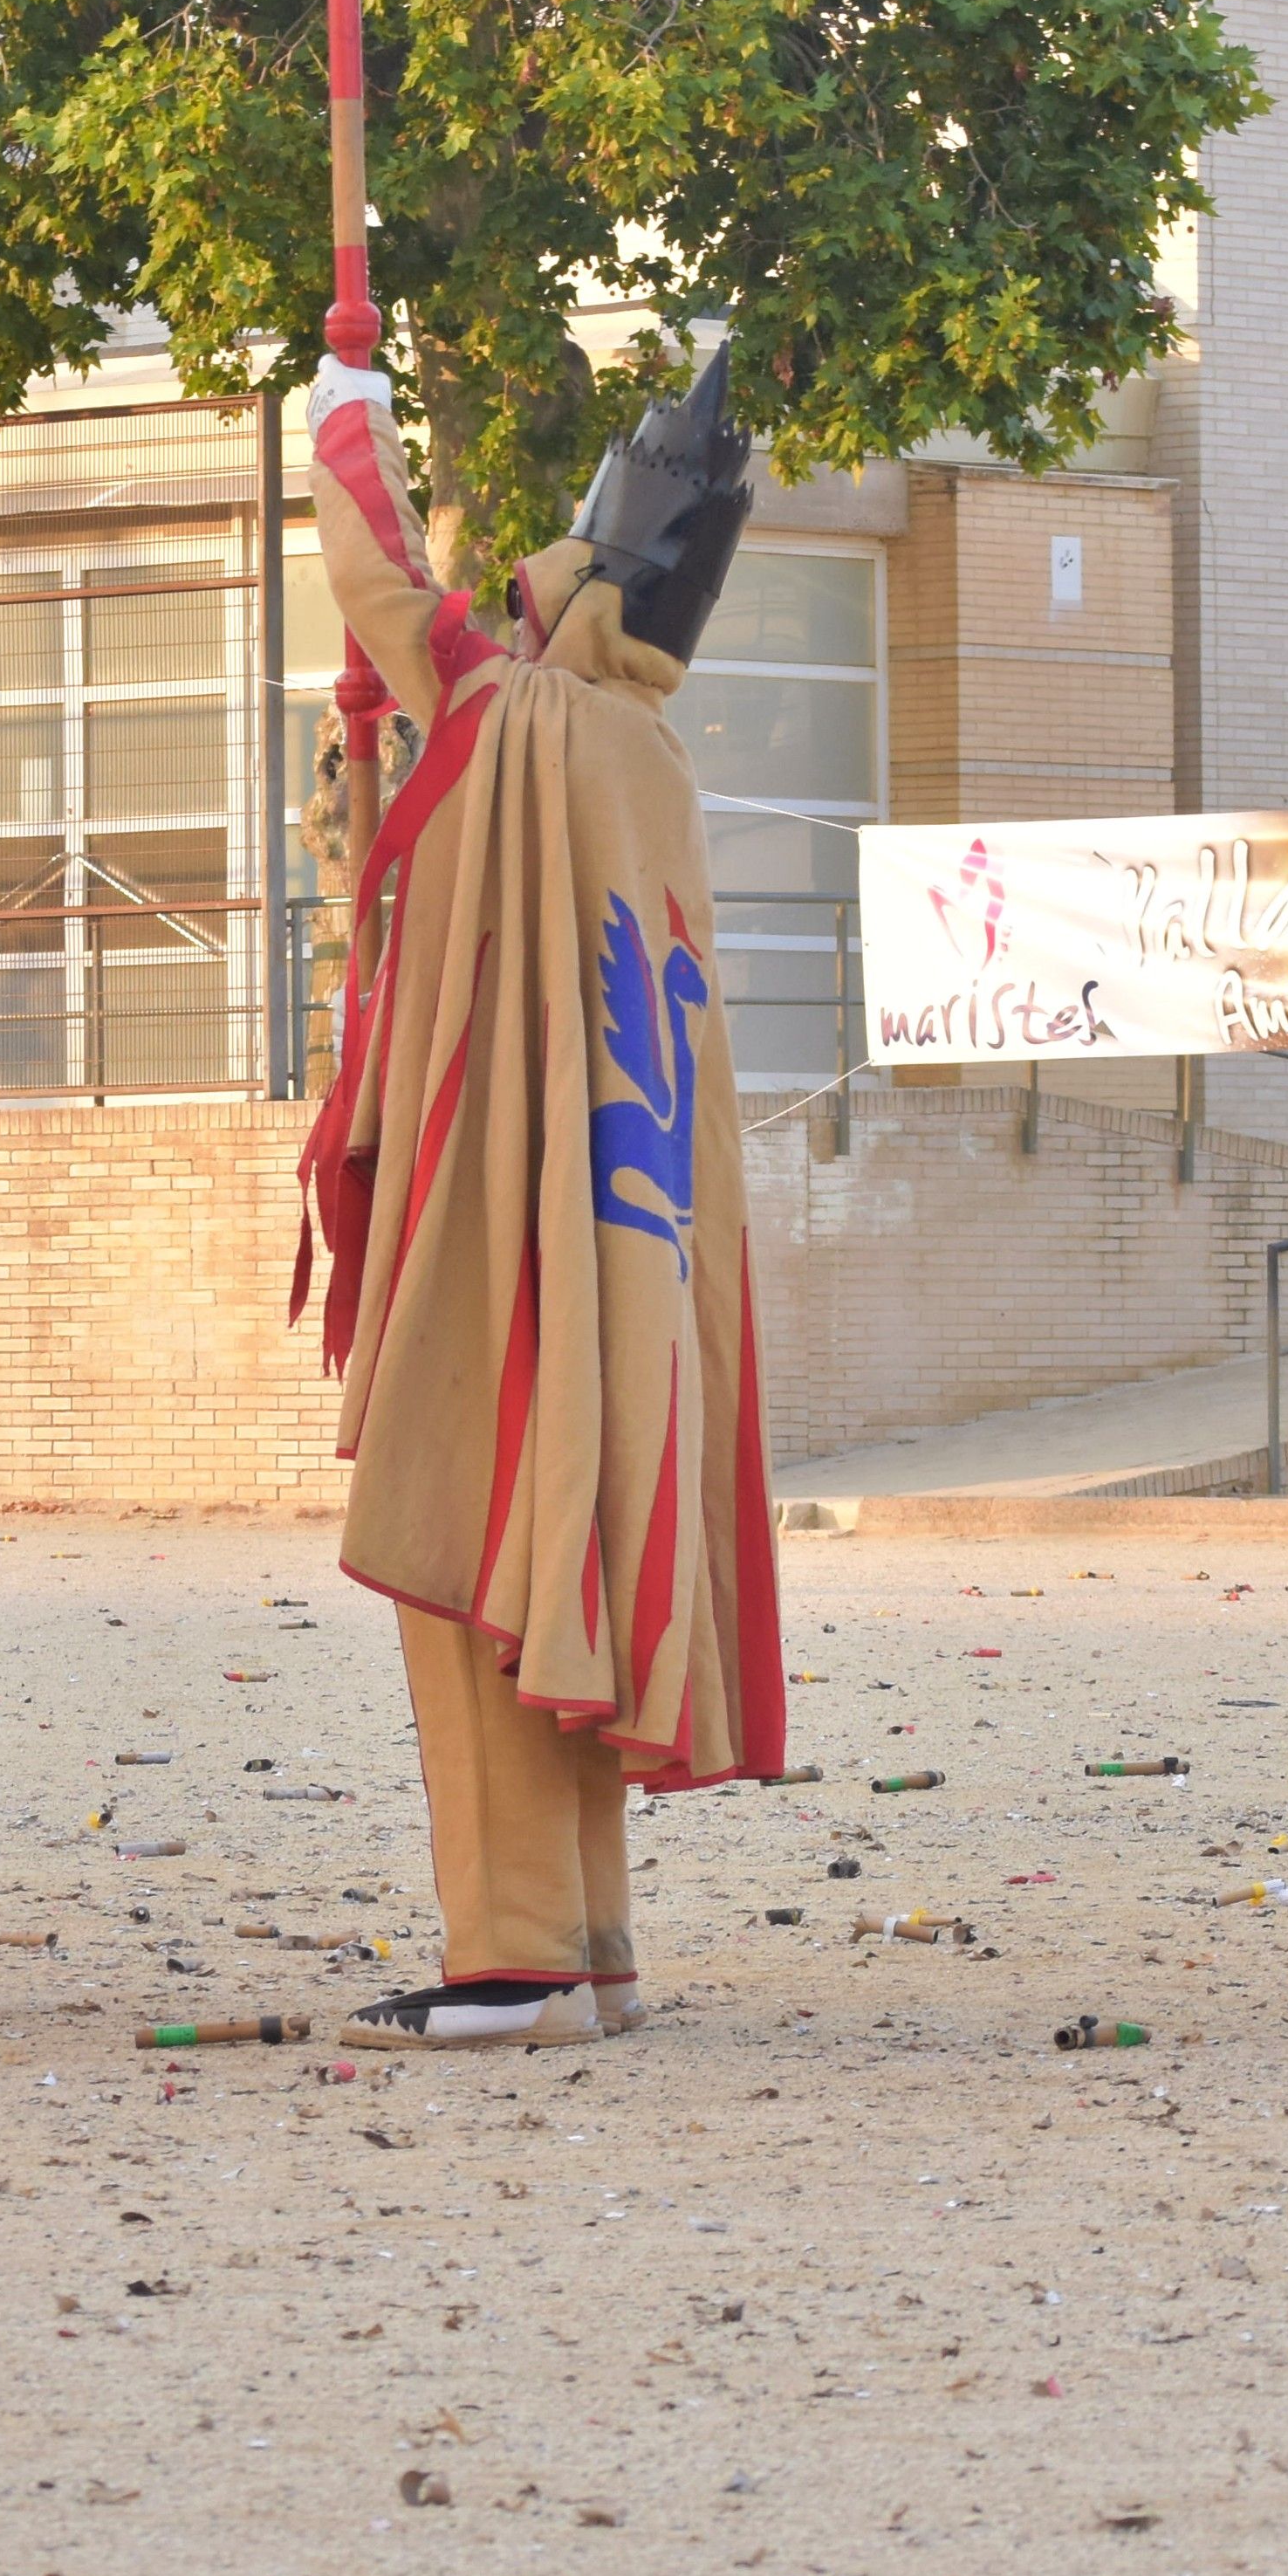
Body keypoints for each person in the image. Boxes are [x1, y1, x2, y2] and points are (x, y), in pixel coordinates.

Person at [297, 348, 784, 2046]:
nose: (509, 597)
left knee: (471, 1563)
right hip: (610, 1259)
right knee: (559, 1555)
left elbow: (377, 578)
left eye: (540, 575)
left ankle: (508, 1959)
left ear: (588, 582)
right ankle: (584, 1938)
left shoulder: (513, 713)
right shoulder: (642, 757)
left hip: (504, 1230)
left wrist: (339, 412)